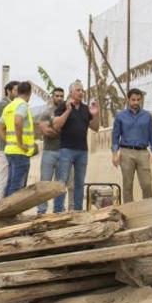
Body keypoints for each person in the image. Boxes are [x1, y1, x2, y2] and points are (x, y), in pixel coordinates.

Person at [52, 81, 99, 212]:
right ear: (71, 92)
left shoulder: (85, 109)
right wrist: (68, 111)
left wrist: (95, 114)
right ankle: (58, 211)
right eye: (78, 90)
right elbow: (56, 125)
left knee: (79, 182)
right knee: (62, 181)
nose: (81, 92)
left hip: (82, 151)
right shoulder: (63, 106)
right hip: (66, 149)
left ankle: (78, 210)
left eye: (82, 90)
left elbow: (95, 128)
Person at [111, 88, 152, 203]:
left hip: (143, 152)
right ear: (128, 100)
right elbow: (115, 136)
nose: (136, 102)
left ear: (141, 100)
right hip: (126, 152)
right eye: (133, 100)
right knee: (127, 185)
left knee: (147, 184)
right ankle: (129, 213)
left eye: (138, 99)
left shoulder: (147, 116)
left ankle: (148, 210)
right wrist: (114, 154)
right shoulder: (120, 116)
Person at [0, 81, 36, 197]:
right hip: (20, 152)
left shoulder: (9, 106)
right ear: (29, 93)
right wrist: (20, 144)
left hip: (9, 150)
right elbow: (18, 121)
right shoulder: (22, 105)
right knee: (17, 186)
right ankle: (10, 213)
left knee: (10, 183)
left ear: (18, 92)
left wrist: (9, 141)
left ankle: (5, 210)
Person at [36, 87, 64, 215]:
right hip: (49, 152)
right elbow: (46, 131)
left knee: (60, 184)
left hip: (64, 153)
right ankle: (41, 211)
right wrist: (60, 131)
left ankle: (58, 211)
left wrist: (55, 130)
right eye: (57, 96)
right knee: (45, 183)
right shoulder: (46, 113)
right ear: (52, 97)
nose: (59, 98)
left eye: (61, 96)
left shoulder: (66, 113)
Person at [0, 80, 19, 203]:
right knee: (2, 178)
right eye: (16, 90)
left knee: (10, 179)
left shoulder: (15, 104)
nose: (18, 92)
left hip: (12, 147)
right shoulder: (4, 105)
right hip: (5, 147)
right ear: (8, 91)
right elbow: (0, 127)